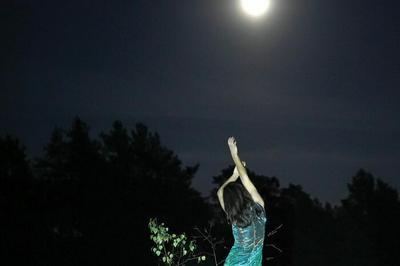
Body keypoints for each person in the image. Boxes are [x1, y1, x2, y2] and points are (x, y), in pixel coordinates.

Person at [217, 137, 267, 265]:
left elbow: (219, 192)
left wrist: (233, 176)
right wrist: (235, 154)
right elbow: (245, 179)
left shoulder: (233, 216)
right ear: (242, 193)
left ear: (229, 203)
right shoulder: (259, 208)